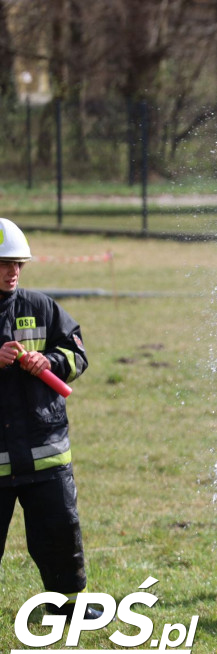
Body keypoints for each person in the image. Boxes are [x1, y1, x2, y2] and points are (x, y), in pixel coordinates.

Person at [0, 218, 99, 619]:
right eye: (5, 263)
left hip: (46, 455)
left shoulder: (42, 307)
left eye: (19, 264)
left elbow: (79, 354)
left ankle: (68, 607)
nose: (14, 272)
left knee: (59, 533)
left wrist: (52, 359)